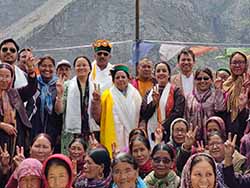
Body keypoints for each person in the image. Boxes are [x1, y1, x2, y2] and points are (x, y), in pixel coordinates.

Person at [92, 64, 142, 154]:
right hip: (113, 135)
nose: (120, 80)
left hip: (132, 135)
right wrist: (96, 101)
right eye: (117, 77)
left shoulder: (136, 95)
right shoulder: (106, 95)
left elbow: (141, 116)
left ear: (128, 79)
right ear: (113, 80)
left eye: (123, 77)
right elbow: (98, 118)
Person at [140, 61, 185, 145]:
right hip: (151, 133)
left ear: (169, 74)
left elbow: (178, 112)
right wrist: (154, 103)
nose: (161, 73)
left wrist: (163, 127)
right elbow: (144, 114)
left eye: (164, 71)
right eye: (158, 71)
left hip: (169, 133)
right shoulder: (149, 92)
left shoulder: (176, 91)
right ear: (154, 75)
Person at [55, 56, 94, 154]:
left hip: (89, 131)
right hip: (70, 133)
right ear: (75, 69)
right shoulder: (67, 86)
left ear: (90, 68)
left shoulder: (96, 86)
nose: (81, 68)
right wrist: (59, 96)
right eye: (78, 65)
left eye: (84, 65)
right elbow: (59, 110)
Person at [0, 60, 37, 157]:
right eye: (1, 75)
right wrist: (2, 125)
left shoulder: (15, 93)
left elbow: (31, 89)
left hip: (16, 138)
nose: (3, 79)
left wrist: (31, 71)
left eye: (7, 76)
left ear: (12, 78)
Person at [26, 56, 62, 151]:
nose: (47, 69)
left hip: (53, 129)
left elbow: (61, 111)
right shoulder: (32, 83)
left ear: (54, 68)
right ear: (38, 67)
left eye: (50, 66)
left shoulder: (59, 85)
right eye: (44, 66)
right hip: (34, 128)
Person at [185, 67, 226, 142]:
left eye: (206, 78)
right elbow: (186, 116)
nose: (202, 81)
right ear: (195, 81)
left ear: (211, 80)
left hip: (212, 136)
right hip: (193, 136)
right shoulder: (189, 97)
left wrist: (218, 90)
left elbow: (220, 109)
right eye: (199, 79)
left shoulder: (215, 94)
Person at [220, 51, 250, 147]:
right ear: (230, 65)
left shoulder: (248, 82)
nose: (237, 65)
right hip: (229, 125)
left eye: (241, 62)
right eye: (234, 62)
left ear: (246, 64)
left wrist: (243, 106)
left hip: (245, 126)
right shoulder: (226, 84)